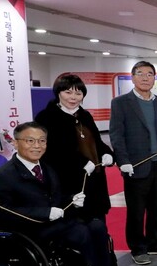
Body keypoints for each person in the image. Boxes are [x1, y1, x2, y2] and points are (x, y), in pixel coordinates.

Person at [0, 122, 123, 266]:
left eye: (42, 141)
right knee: (80, 233)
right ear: (16, 143)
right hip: (28, 230)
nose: (37, 146)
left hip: (54, 223)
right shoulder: (1, 177)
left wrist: (71, 200)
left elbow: (55, 198)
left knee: (97, 225)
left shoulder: (47, 168)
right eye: (30, 141)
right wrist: (44, 213)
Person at [109, 61, 157, 265]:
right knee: (136, 210)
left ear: (154, 79)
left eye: (150, 74)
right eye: (140, 74)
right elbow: (116, 135)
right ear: (133, 77)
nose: (145, 78)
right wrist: (123, 161)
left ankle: (155, 243)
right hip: (135, 165)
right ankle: (138, 248)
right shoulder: (121, 103)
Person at [35, 74, 116, 224]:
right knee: (75, 225)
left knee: (97, 223)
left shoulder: (85, 115)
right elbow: (52, 150)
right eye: (68, 92)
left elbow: (96, 141)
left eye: (78, 93)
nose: (73, 97)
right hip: (67, 181)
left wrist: (107, 153)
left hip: (93, 179)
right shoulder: (46, 117)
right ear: (58, 93)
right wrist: (81, 162)